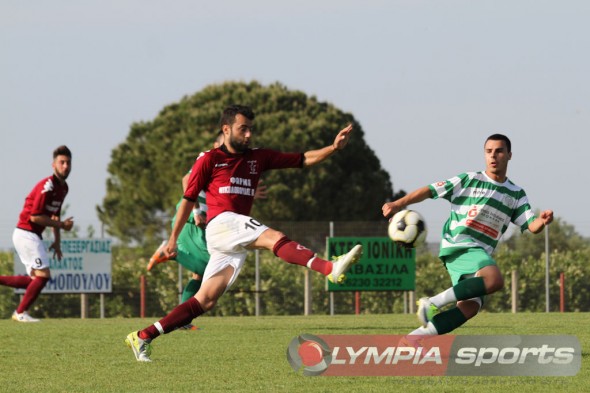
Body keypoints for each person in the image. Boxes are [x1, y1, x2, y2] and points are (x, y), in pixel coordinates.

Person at [126, 104, 363, 361]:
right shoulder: (209, 159)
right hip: (222, 224)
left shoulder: (258, 158)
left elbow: (303, 159)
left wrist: (333, 148)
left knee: (205, 300)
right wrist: (173, 238)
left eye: (250, 129)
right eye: (243, 129)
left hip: (230, 239)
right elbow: (187, 198)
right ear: (226, 129)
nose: (248, 135)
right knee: (273, 237)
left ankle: (144, 336)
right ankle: (329, 269)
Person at [382, 134, 553, 341]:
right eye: (489, 151)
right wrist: (399, 204)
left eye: (499, 151)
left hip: (478, 253)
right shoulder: (469, 180)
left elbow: (531, 224)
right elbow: (430, 190)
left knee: (470, 307)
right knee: (494, 279)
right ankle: (432, 302)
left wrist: (542, 221)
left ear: (509, 155)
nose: (493, 156)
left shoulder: (515, 193)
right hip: (460, 244)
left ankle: (412, 340)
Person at [146, 131, 268, 330]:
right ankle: (170, 253)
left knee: (202, 275)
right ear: (217, 143)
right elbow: (187, 180)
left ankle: (183, 321)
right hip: (191, 221)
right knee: (209, 268)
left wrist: (250, 194)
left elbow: (227, 196)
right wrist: (195, 211)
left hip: (207, 224)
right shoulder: (210, 159)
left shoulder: (231, 167)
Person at [0, 145, 74, 322]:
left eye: (68, 163)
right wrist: (62, 225)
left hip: (30, 235)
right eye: (62, 162)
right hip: (26, 232)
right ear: (53, 165)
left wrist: (57, 240)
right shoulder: (47, 186)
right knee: (43, 276)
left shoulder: (63, 188)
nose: (65, 166)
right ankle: (20, 313)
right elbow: (35, 217)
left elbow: (55, 214)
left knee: (35, 279)